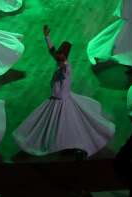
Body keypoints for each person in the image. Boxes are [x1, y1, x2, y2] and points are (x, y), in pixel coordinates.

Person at [14, 25, 115, 157]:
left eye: (60, 53)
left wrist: (61, 67)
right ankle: (63, 143)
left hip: (61, 101)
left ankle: (70, 145)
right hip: (57, 99)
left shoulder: (66, 69)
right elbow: (52, 50)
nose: (57, 55)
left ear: (65, 55)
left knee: (66, 124)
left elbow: (63, 70)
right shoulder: (60, 61)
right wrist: (47, 37)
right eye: (59, 52)